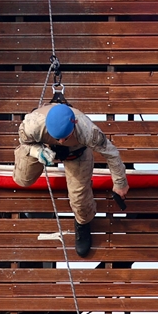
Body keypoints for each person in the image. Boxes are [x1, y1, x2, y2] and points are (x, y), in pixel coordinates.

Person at [14, 103, 130, 257]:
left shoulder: (89, 131)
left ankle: (83, 222)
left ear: (74, 124)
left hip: (77, 153)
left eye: (65, 137)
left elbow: (112, 154)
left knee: (79, 199)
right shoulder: (32, 125)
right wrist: (37, 151)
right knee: (23, 179)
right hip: (44, 145)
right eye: (58, 138)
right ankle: (38, 153)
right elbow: (24, 142)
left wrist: (120, 182)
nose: (61, 141)